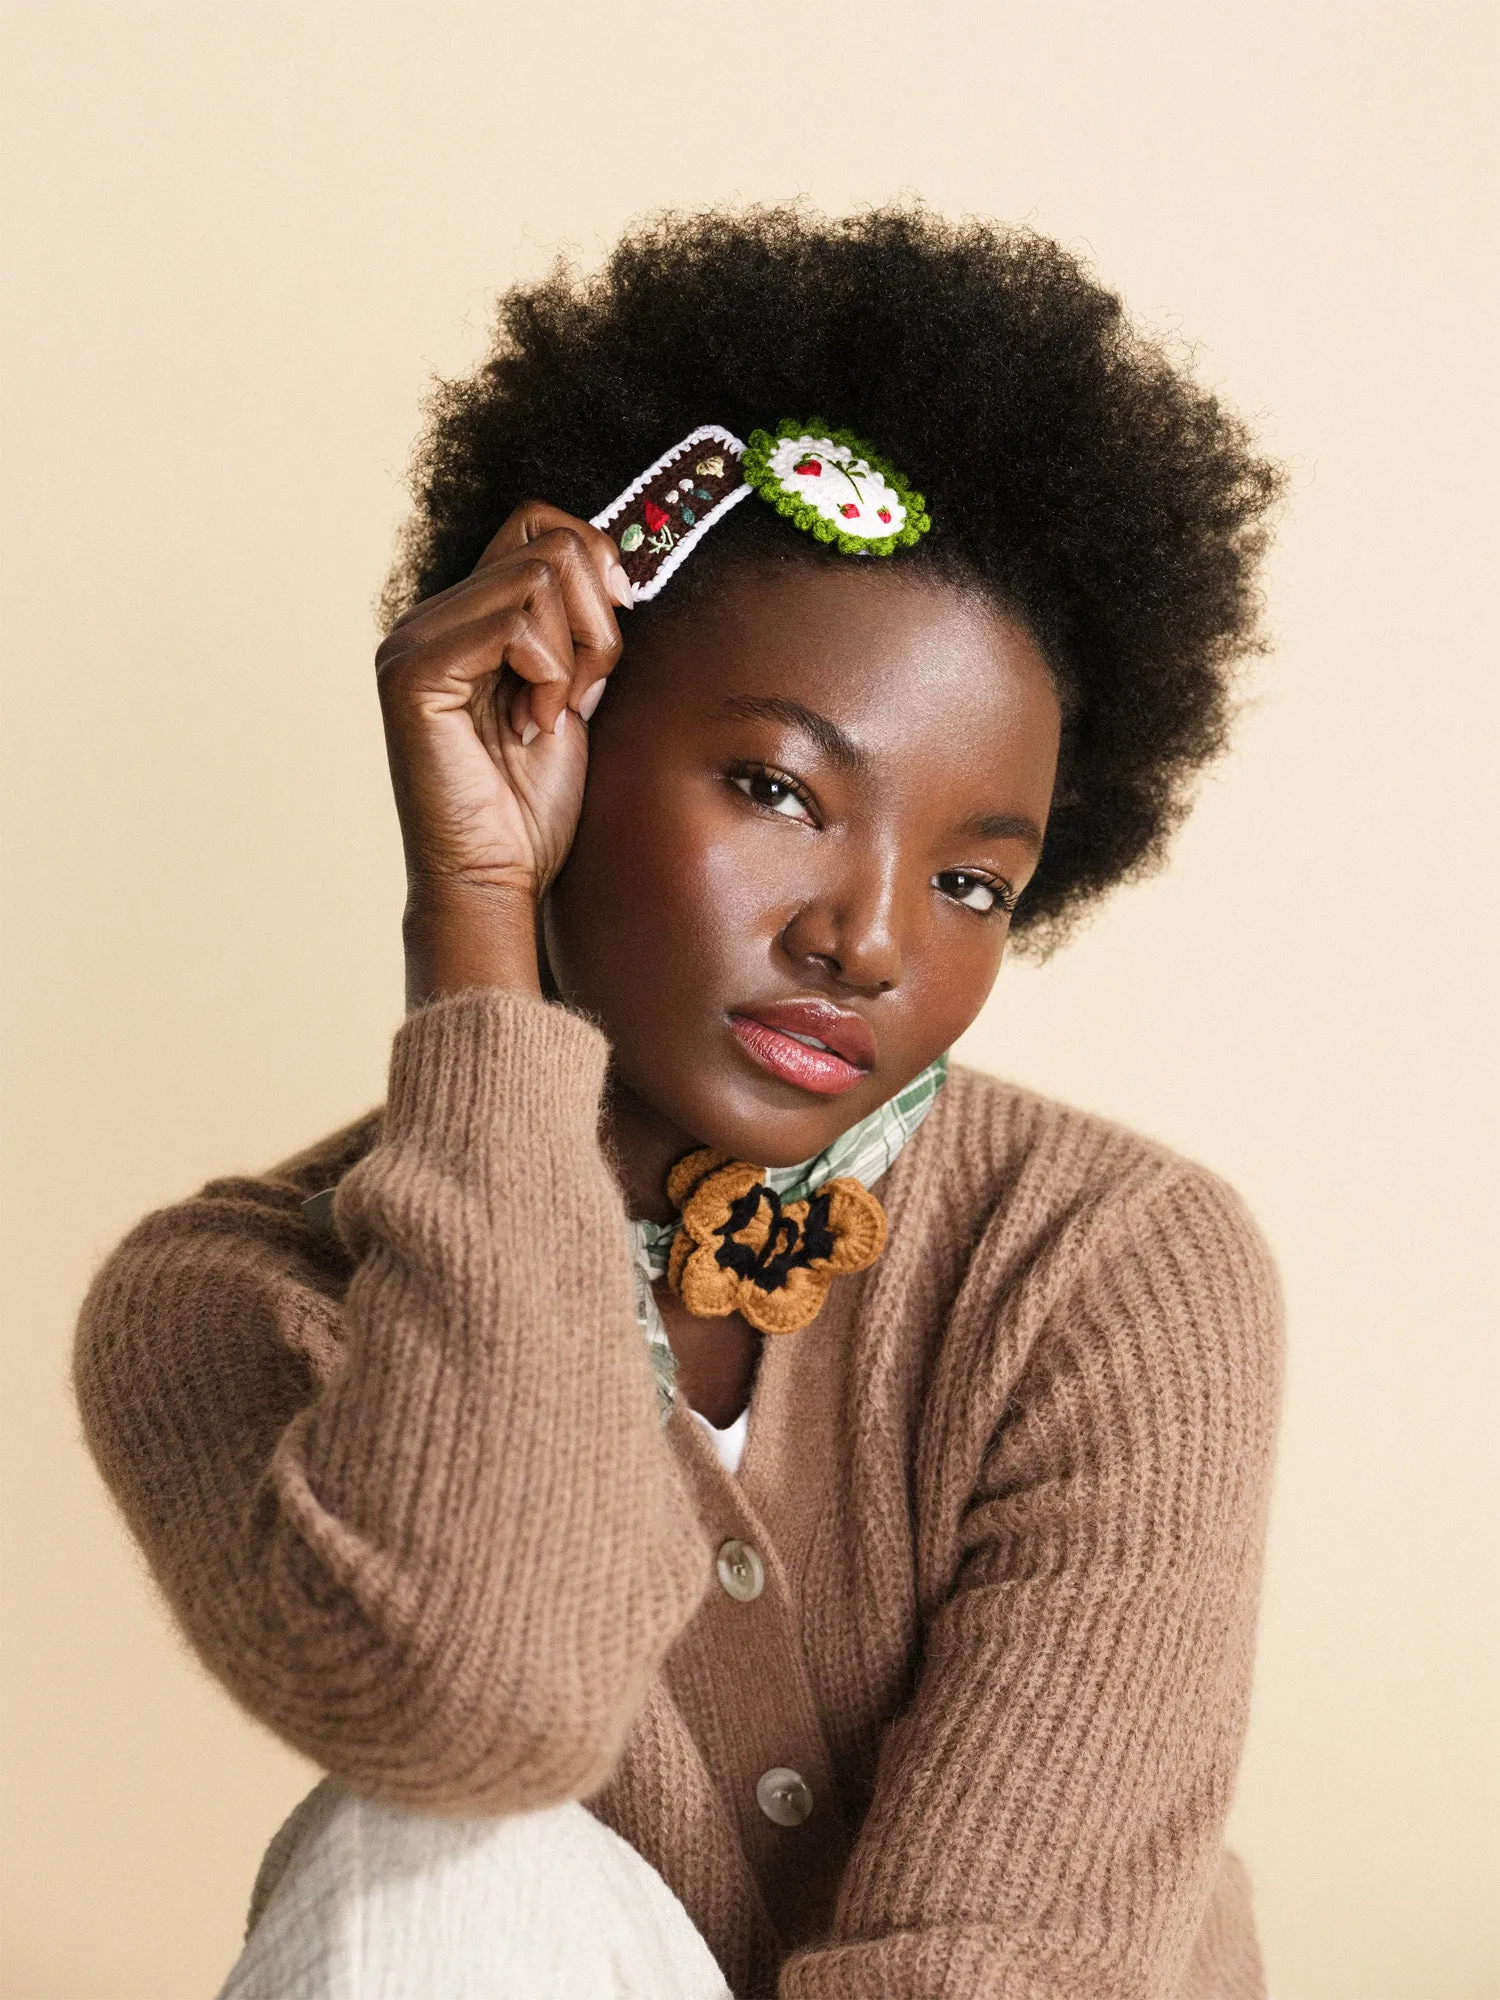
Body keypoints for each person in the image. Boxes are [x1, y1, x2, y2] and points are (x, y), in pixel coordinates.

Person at [74, 206, 1287, 1999]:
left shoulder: (1109, 1265)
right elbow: (480, 1707)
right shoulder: (234, 1301)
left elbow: (1004, 1969)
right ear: (549, 725)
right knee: (422, 1857)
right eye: (776, 786)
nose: (868, 939)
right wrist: (475, 923)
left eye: (976, 884)